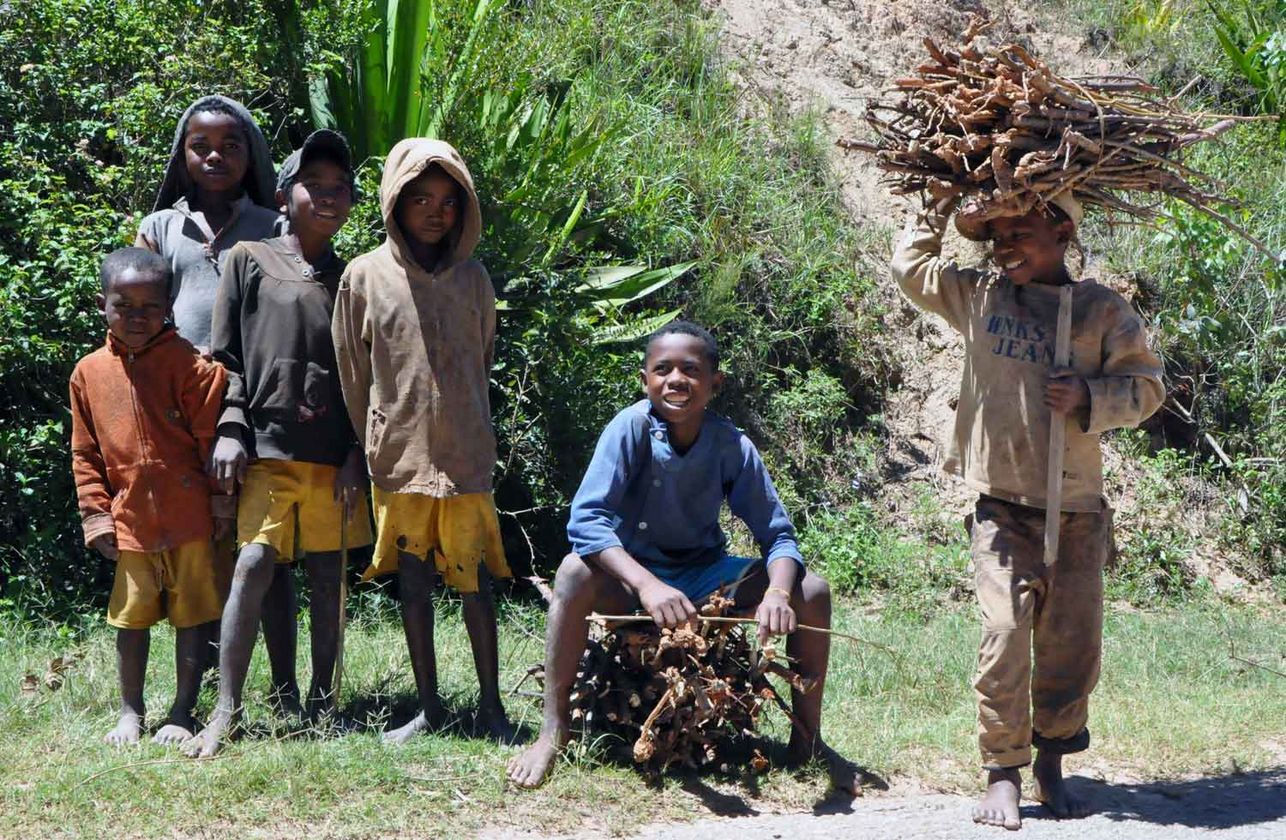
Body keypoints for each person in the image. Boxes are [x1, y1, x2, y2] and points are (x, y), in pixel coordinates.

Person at [891, 194, 1164, 829]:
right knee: (1005, 636)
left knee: (1071, 647)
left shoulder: (1100, 311)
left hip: (1076, 513)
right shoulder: (982, 297)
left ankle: (1052, 763)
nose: (1004, 244)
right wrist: (935, 204)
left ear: (1063, 230)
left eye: (1021, 230)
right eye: (995, 234)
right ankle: (1002, 770)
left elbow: (1146, 388)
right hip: (1001, 510)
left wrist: (1089, 395)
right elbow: (913, 272)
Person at [507, 321, 857, 792]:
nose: (676, 380)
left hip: (703, 577)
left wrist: (776, 592)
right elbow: (586, 522)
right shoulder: (630, 428)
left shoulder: (731, 444)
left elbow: (778, 536)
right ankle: (554, 729)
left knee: (810, 589)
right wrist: (648, 586)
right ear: (644, 379)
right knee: (573, 571)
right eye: (663, 369)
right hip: (632, 579)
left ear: (716, 382)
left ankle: (807, 739)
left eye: (691, 370)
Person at [183, 130, 371, 758]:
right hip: (264, 444)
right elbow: (225, 355)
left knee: (326, 575)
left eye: (339, 188)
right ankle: (226, 710)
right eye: (312, 186)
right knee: (255, 563)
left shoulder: (351, 278)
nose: (327, 196)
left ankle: (322, 705)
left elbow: (362, 378)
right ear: (285, 195)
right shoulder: (248, 258)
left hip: (332, 454)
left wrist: (355, 456)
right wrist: (231, 428)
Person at [332, 138, 514, 744]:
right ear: (393, 202)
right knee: (412, 580)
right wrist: (368, 444)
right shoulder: (363, 276)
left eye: (448, 201)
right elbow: (353, 375)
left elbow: (482, 358)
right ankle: (429, 706)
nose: (436, 212)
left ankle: (491, 707)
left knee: (474, 581)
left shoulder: (474, 279)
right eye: (420, 199)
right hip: (398, 458)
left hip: (464, 457)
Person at [134, 95, 296, 690]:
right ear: (182, 155)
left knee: (266, 551)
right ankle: (198, 686)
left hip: (255, 404)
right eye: (200, 145)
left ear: (249, 154)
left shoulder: (271, 225)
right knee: (200, 549)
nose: (215, 156)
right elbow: (142, 314)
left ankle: (285, 687)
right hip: (181, 412)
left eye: (231, 146)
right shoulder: (160, 229)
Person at [69, 247, 232, 746]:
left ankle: (183, 710)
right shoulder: (88, 373)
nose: (137, 317)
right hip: (131, 521)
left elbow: (211, 444)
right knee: (131, 618)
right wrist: (97, 517)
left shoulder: (194, 367)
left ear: (171, 305)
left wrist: (222, 502)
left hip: (191, 518)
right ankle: (130, 710)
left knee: (192, 616)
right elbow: (85, 451)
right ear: (103, 305)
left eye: (150, 306)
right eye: (124, 305)